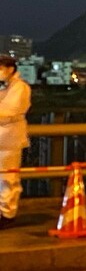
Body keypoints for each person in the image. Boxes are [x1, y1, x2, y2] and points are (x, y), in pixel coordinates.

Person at [0, 55, 31, 229]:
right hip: (3, 138)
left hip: (9, 139)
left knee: (8, 178)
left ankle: (7, 214)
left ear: (10, 69)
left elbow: (9, 111)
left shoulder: (20, 87)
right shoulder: (6, 87)